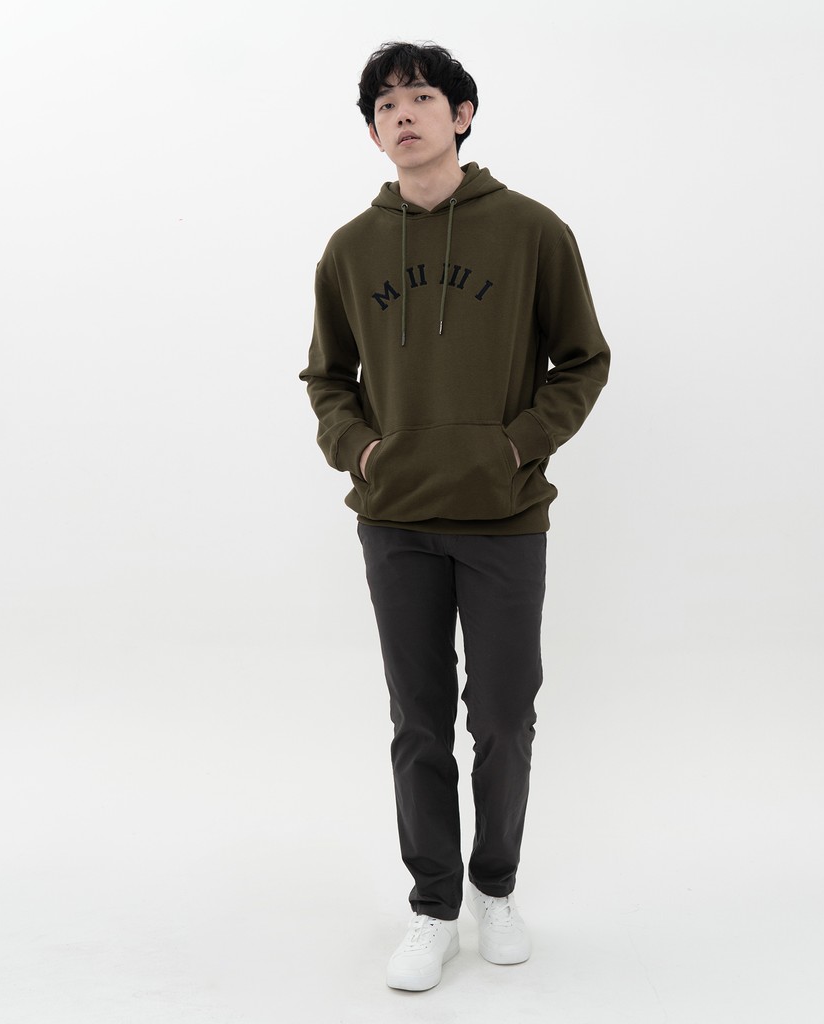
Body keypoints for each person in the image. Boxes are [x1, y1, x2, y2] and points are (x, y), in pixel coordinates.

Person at [299, 41, 611, 991]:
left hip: (504, 518)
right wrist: (362, 451)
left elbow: (582, 361)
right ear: (373, 134)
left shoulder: (531, 231)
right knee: (419, 721)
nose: (403, 114)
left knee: (505, 718)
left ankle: (495, 889)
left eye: (421, 97)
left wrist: (515, 448)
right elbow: (326, 379)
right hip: (395, 521)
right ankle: (434, 906)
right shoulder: (351, 248)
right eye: (385, 106)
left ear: (462, 114)